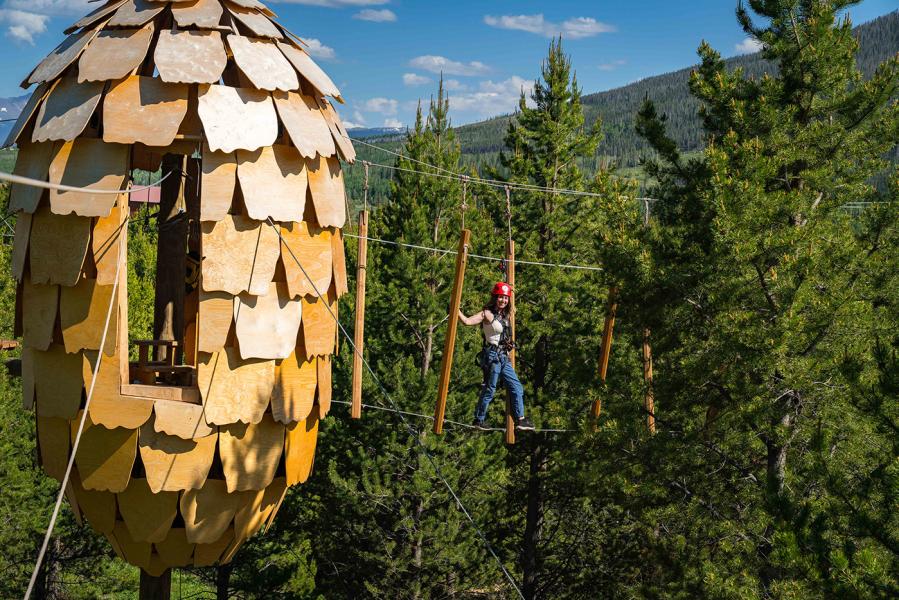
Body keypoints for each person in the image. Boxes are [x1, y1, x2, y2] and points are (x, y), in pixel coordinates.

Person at [458, 282, 535, 431]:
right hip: (492, 356)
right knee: (490, 388)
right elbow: (467, 321)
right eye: (500, 297)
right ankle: (479, 420)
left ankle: (520, 419)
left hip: (503, 357)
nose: (503, 301)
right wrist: (456, 310)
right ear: (495, 298)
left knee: (517, 387)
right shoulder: (486, 314)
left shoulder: (506, 315)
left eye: (505, 298)